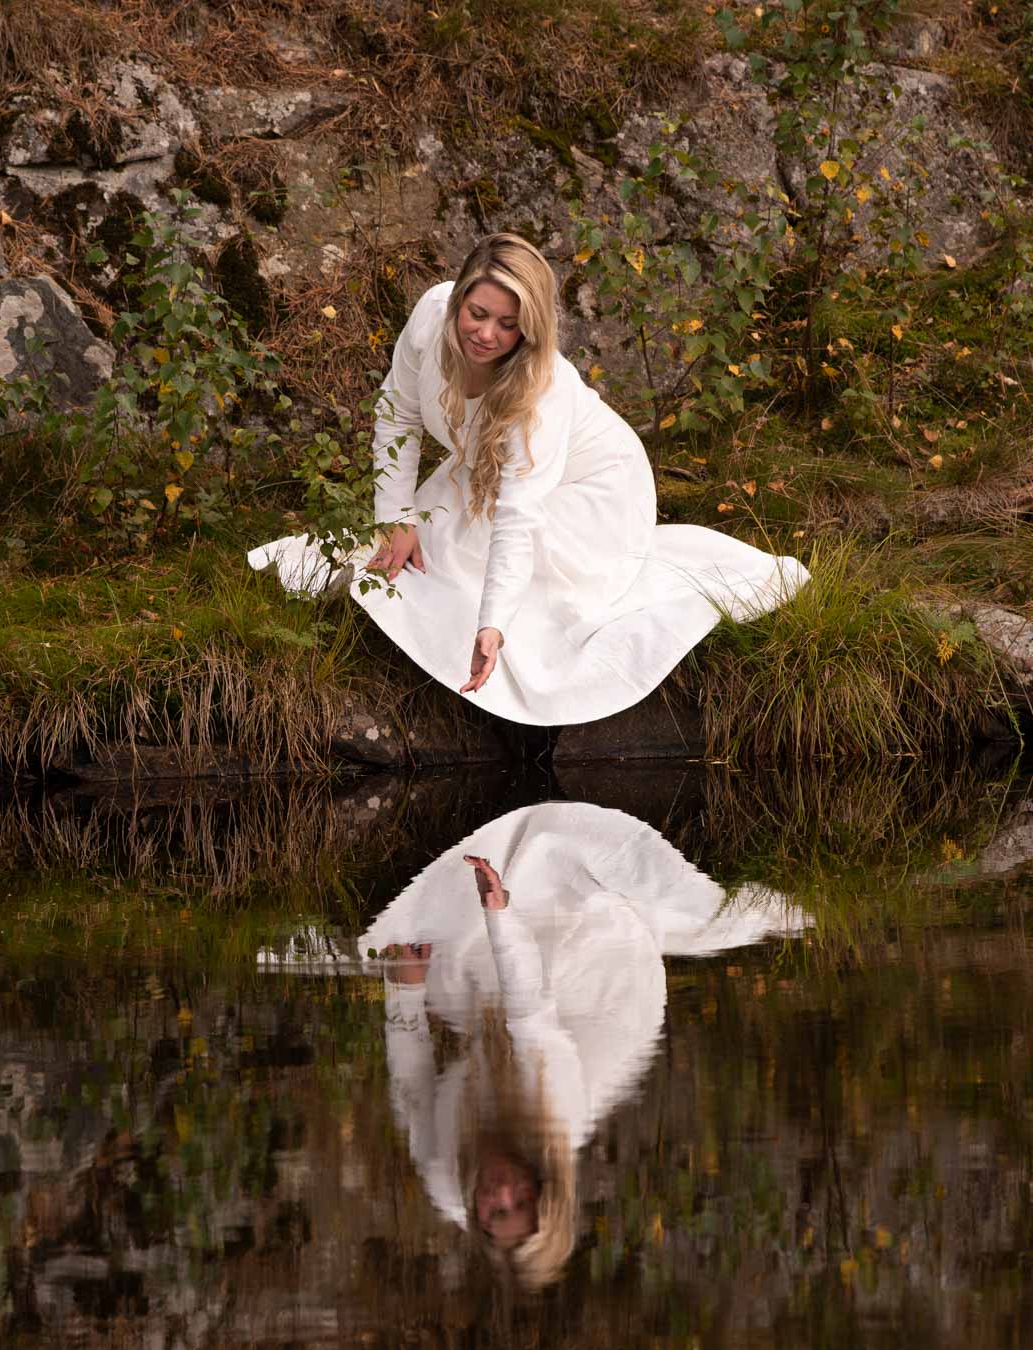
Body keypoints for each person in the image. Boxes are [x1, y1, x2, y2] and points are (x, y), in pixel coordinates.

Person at [248, 234, 809, 726]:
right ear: (459, 297)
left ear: (530, 329)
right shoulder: (429, 318)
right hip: (485, 469)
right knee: (413, 544)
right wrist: (395, 518)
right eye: (477, 313)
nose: (486, 334)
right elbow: (397, 416)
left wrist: (492, 626)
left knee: (469, 573)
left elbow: (516, 516)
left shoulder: (541, 391)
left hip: (593, 488)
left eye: (508, 325)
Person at [356, 801, 806, 1291]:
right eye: (521, 1203)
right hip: (600, 1000)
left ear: (475, 1216)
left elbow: (412, 1086)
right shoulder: (558, 1114)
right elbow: (529, 1011)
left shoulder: (446, 1182)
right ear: (543, 1189)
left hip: (501, 1053)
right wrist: (500, 913)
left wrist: (403, 991)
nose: (501, 1193)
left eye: (494, 1213)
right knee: (550, 882)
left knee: (411, 948)